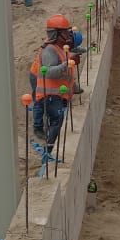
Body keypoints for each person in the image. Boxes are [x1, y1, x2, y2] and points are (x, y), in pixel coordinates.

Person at [31, 14, 75, 159]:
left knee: (57, 120)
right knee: (57, 118)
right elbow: (49, 72)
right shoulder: (50, 50)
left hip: (58, 94)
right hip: (49, 95)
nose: (68, 35)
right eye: (65, 32)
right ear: (56, 33)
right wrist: (66, 65)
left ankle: (48, 149)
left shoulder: (59, 48)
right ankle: (48, 151)